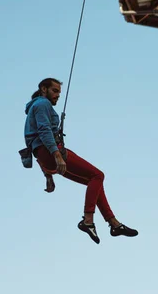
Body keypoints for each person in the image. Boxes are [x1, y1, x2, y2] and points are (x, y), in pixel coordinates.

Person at [23, 77, 138, 244]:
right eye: (54, 91)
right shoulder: (42, 105)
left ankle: (114, 224)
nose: (57, 96)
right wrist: (56, 155)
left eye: (59, 93)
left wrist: (48, 174)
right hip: (52, 153)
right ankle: (88, 220)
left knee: (94, 182)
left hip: (46, 156)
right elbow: (44, 131)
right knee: (98, 175)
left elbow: (32, 142)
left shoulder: (34, 108)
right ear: (43, 89)